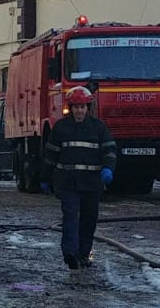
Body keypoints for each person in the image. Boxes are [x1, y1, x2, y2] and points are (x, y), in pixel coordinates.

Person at [41, 84, 118, 272]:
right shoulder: (61, 128)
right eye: (76, 107)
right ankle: (70, 254)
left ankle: (83, 254)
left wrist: (108, 169)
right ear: (71, 108)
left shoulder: (98, 128)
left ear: (88, 108)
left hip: (92, 184)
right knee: (70, 218)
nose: (79, 111)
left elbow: (109, 151)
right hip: (68, 183)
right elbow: (50, 156)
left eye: (82, 107)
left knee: (88, 220)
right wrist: (44, 178)